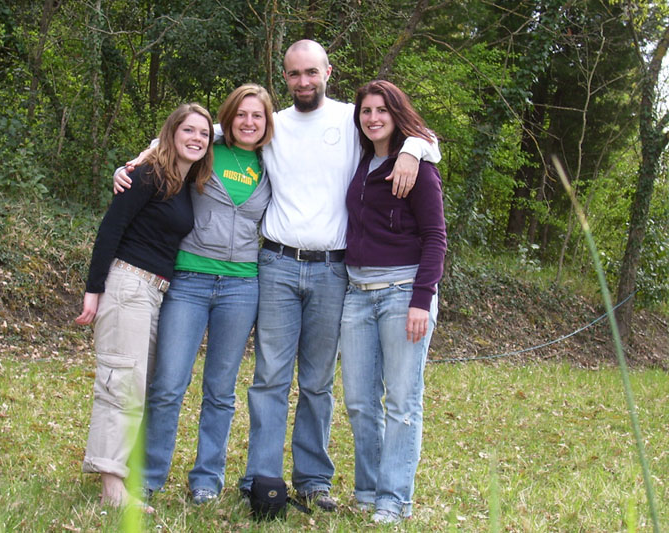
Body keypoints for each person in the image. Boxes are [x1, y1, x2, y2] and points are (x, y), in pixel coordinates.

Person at [113, 40, 440, 511]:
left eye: (312, 72)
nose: (303, 81)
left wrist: (413, 150)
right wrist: (144, 155)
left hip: (333, 270)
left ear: (328, 72)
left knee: (318, 382)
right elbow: (201, 133)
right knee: (268, 378)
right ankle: (261, 480)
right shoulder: (272, 126)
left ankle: (313, 480)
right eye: (294, 73)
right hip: (276, 266)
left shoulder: (353, 120)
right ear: (284, 77)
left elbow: (414, 133)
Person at [138, 84, 274, 504]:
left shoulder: (273, 160)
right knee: (168, 384)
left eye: (257, 115)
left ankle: (206, 480)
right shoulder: (208, 149)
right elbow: (171, 143)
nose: (249, 122)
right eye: (241, 114)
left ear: (267, 122)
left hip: (242, 286)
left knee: (220, 390)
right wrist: (137, 160)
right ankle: (149, 476)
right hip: (190, 281)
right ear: (228, 117)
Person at [76, 103, 214, 511]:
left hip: (154, 292)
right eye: (187, 130)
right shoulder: (147, 174)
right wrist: (93, 288)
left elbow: (236, 130)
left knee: (136, 384)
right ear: (171, 132)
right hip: (127, 285)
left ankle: (119, 476)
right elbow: (111, 227)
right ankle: (112, 488)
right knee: (122, 383)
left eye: (204, 134)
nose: (196, 138)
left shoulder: (181, 180)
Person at [339, 80, 446, 524]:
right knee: (360, 401)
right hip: (357, 295)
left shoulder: (417, 168)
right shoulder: (362, 162)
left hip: (403, 294)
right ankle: (368, 490)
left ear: (396, 113)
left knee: (402, 402)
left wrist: (422, 299)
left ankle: (394, 499)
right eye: (366, 111)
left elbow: (436, 238)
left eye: (381, 110)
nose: (373, 118)